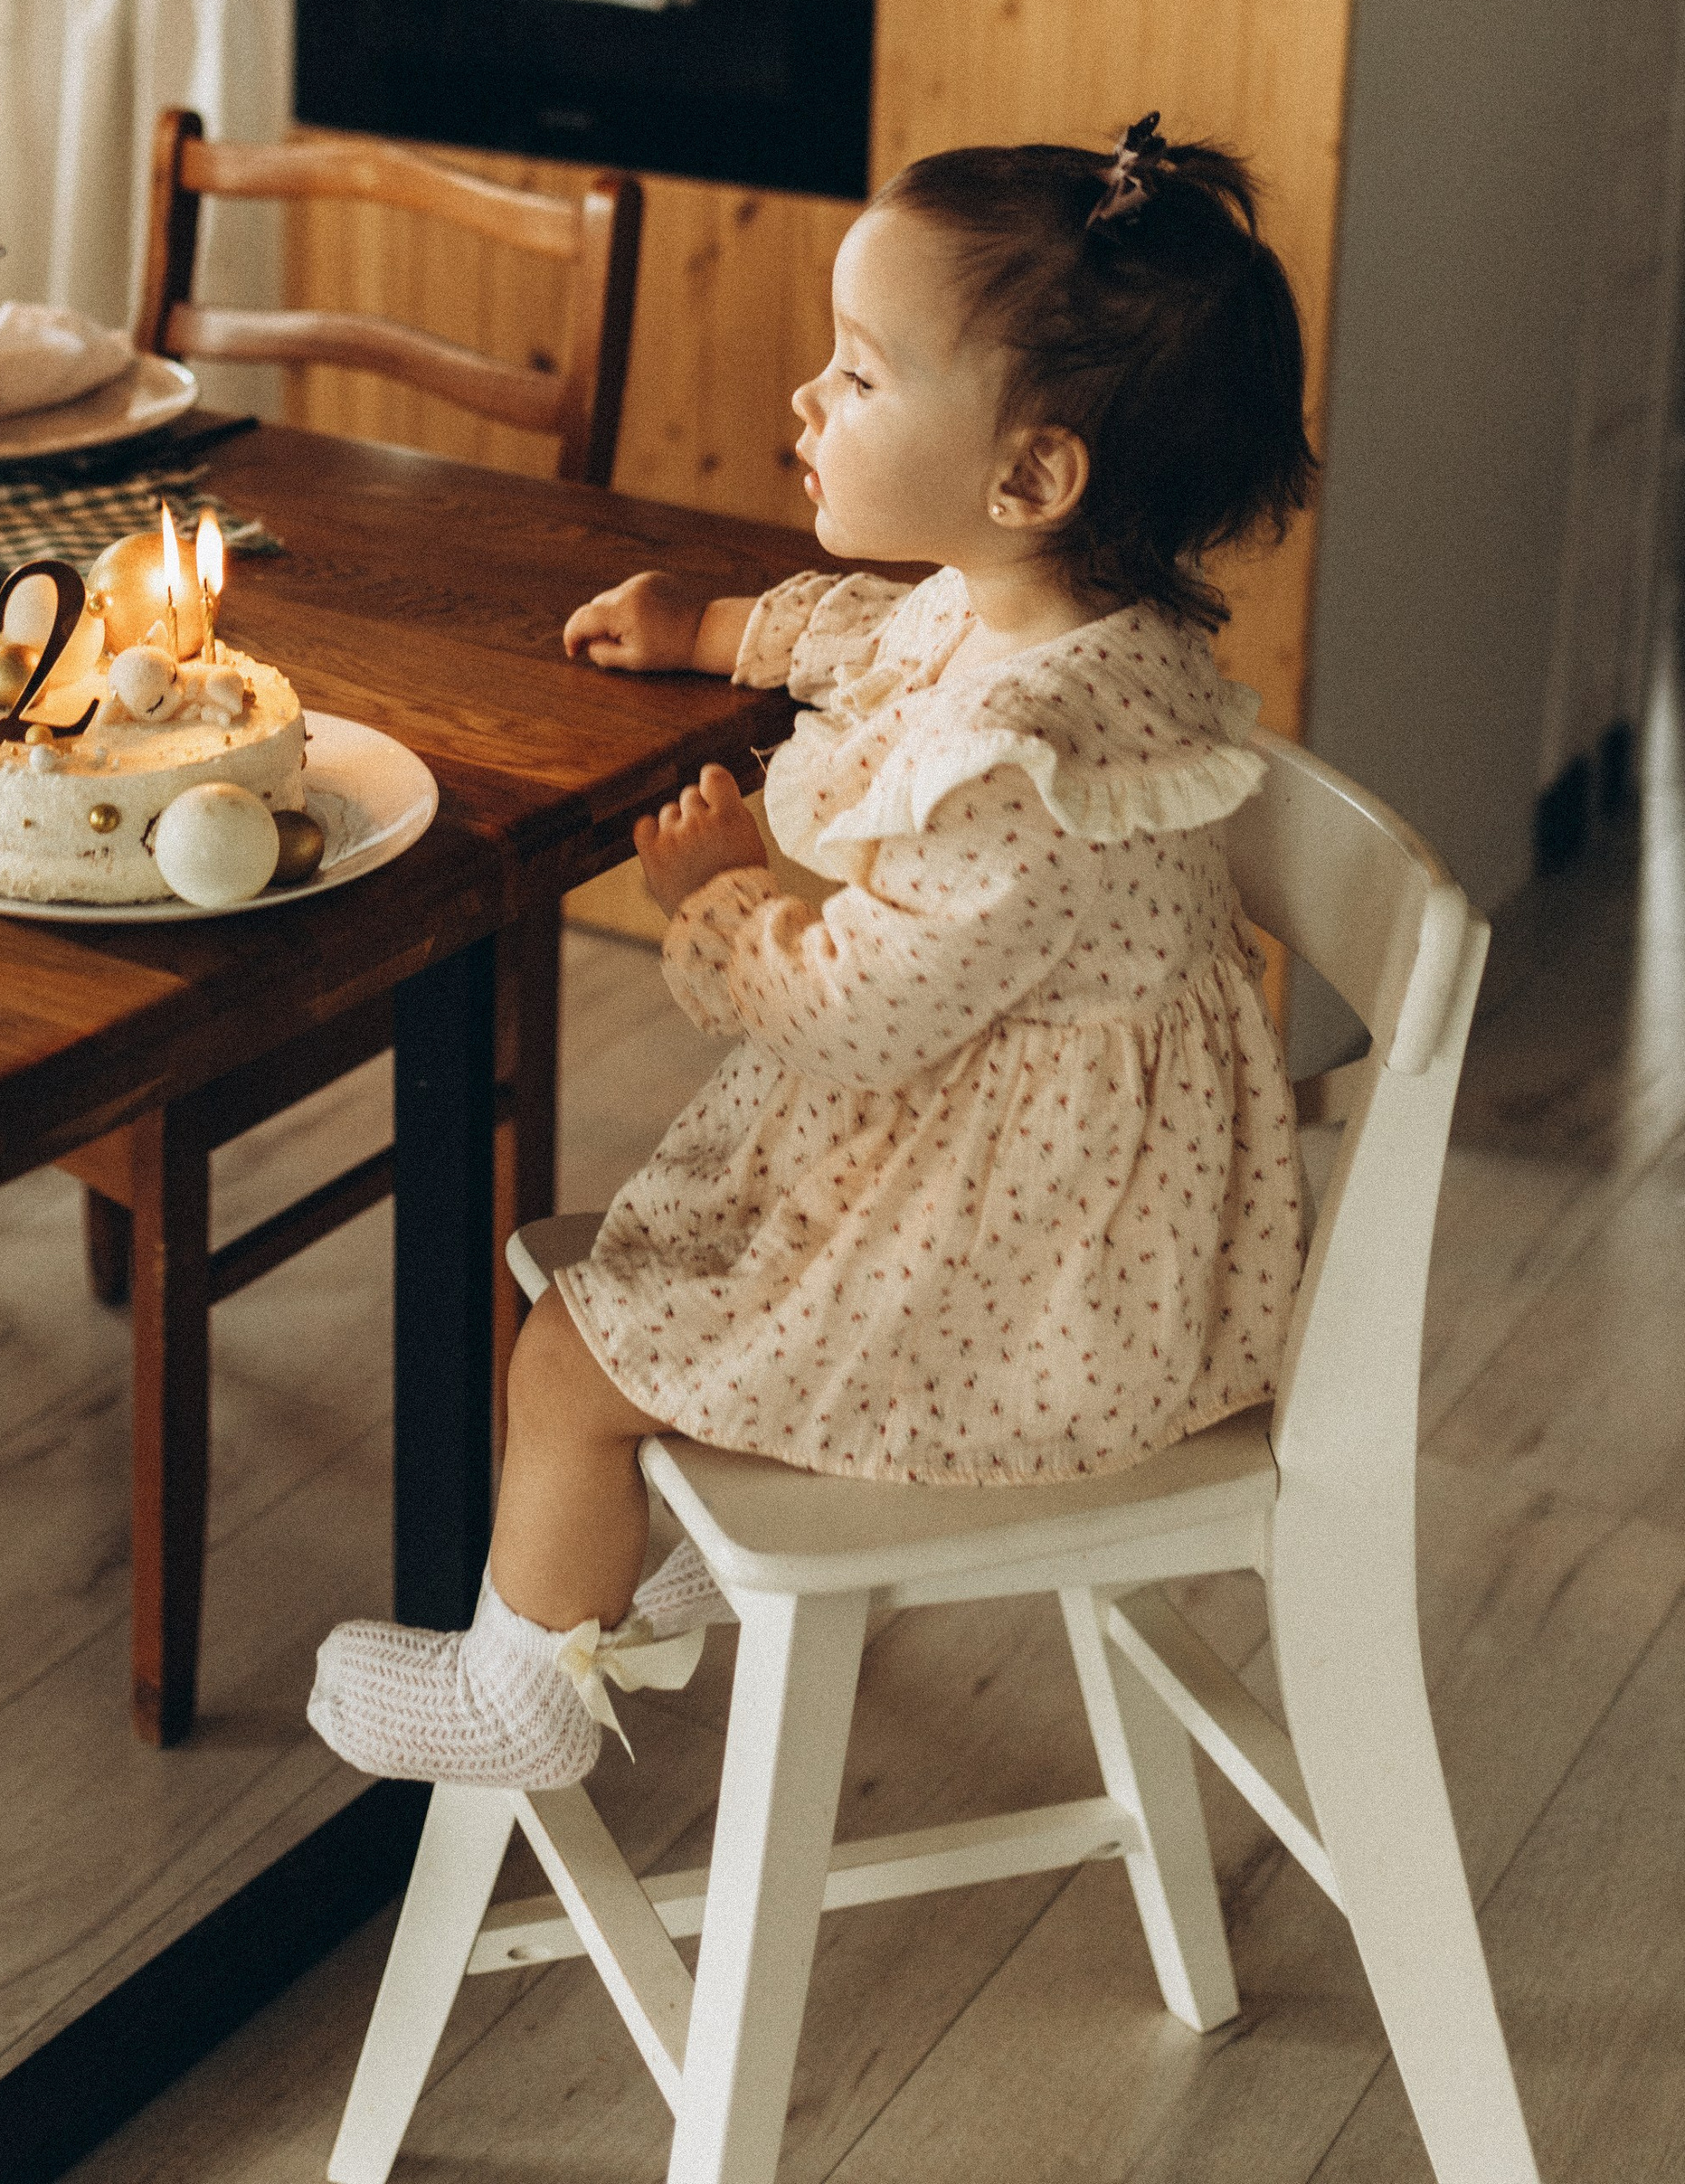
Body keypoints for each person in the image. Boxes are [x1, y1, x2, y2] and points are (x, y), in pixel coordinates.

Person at [308, 117, 1316, 1793]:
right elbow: (881, 636)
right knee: (647, 1247)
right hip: (1068, 1219)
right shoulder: (1060, 625)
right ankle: (635, 1552)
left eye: (857, 376)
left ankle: (523, 1701)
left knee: (568, 1349)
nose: (805, 404)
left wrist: (719, 896)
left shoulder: (1021, 779)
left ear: (1030, 476)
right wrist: (716, 629)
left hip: (1038, 1303)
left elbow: (846, 1018)